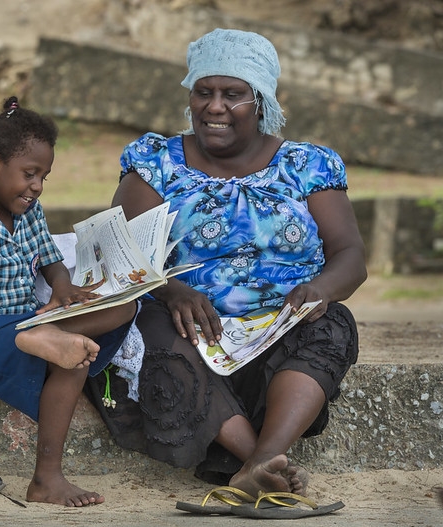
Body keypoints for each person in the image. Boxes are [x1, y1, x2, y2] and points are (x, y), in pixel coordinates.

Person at [103, 28, 367, 498]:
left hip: (279, 326)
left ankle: (262, 461)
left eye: (233, 94)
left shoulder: (307, 165)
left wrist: (320, 290)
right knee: (148, 326)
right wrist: (170, 289)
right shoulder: (156, 163)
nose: (215, 106)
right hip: (188, 326)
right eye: (204, 92)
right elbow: (117, 250)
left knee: (333, 324)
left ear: (261, 100)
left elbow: (350, 254)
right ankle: (259, 464)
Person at [0, 96, 136, 506]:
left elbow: (51, 262)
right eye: (30, 174)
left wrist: (64, 290)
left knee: (105, 327)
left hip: (25, 322)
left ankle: (46, 481)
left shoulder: (29, 215)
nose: (36, 186)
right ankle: (41, 337)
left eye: (44, 178)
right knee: (59, 349)